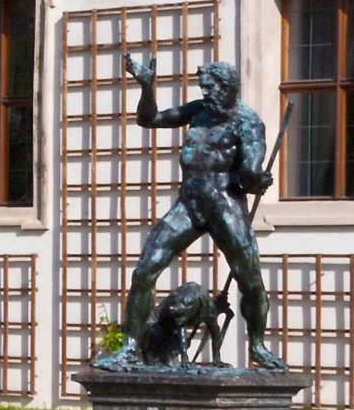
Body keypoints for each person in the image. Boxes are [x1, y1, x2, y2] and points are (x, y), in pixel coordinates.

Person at [108, 53, 281, 368]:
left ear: (228, 89)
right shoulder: (198, 112)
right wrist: (147, 87)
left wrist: (255, 179)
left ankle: (257, 345)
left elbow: (248, 174)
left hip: (224, 204)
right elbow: (150, 119)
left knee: (250, 279)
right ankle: (130, 347)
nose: (205, 95)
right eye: (202, 89)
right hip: (188, 204)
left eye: (210, 89)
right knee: (144, 271)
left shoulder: (248, 122)